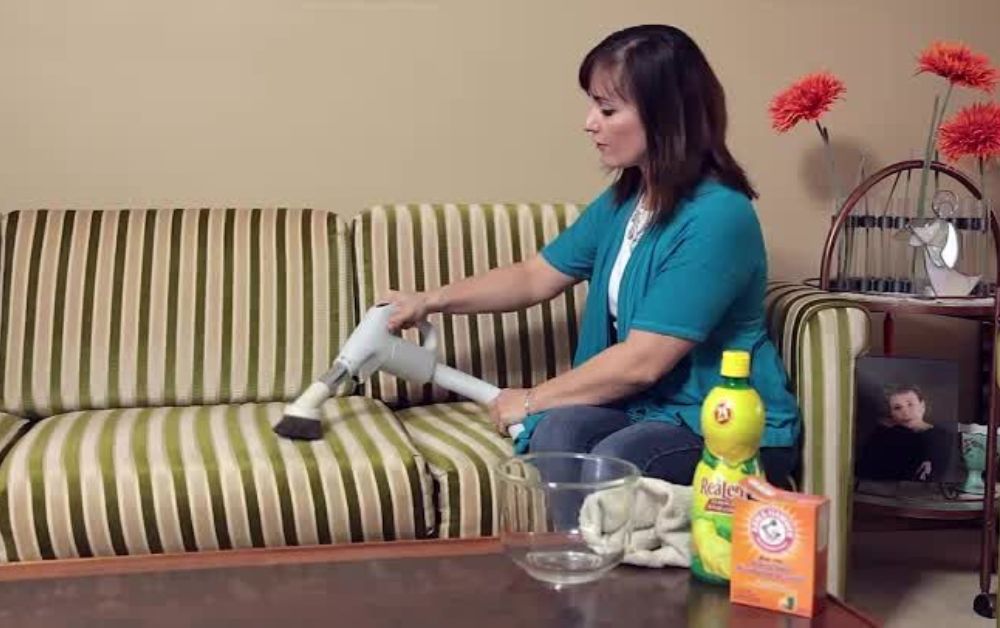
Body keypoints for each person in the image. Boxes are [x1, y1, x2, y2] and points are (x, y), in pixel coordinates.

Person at [382, 24, 801, 488]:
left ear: (667, 116)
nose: (589, 122)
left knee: (615, 457)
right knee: (562, 430)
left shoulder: (719, 216)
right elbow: (534, 276)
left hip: (725, 427)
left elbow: (643, 360)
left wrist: (531, 399)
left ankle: (607, 557)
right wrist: (429, 300)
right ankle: (583, 558)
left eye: (607, 108)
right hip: (647, 411)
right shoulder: (627, 201)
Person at [856, 385, 948, 482]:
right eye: (897, 408)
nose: (905, 412)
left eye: (910, 404)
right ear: (891, 413)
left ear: (922, 406)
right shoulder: (883, 436)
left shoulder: (944, 437)